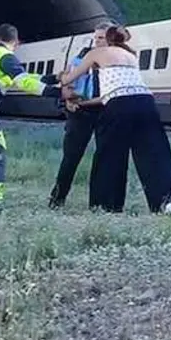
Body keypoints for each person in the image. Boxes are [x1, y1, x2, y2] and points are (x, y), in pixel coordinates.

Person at [59, 25, 171, 214]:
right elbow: (114, 91)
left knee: (109, 155)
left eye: (100, 38)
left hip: (119, 105)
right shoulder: (131, 56)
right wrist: (86, 103)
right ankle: (167, 202)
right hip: (146, 102)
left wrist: (64, 75)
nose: (96, 42)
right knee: (154, 154)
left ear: (107, 39)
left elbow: (68, 80)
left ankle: (106, 206)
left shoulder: (95, 53)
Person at [0, 24, 61, 206]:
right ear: (16, 42)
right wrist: (57, 92)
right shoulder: (5, 57)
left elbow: (25, 76)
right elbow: (24, 82)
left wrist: (53, 78)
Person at [49, 22, 111, 209]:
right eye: (96, 37)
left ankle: (98, 203)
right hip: (80, 112)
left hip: (105, 111)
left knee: (104, 158)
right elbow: (69, 78)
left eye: (101, 38)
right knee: (71, 157)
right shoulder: (83, 56)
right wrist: (69, 99)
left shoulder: (115, 58)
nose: (97, 41)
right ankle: (57, 199)